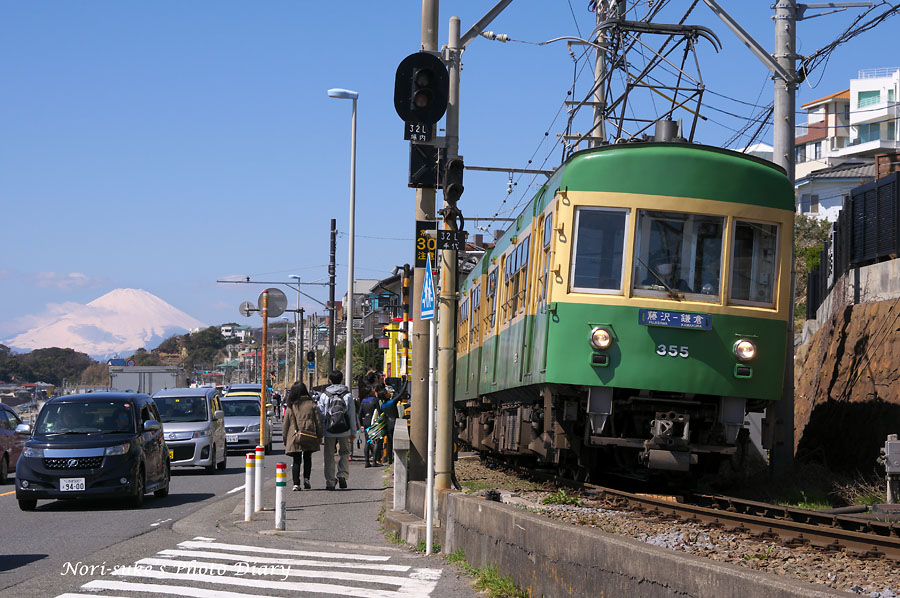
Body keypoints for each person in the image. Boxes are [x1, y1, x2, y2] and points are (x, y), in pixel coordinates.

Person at [317, 370, 357, 490]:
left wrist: (322, 431)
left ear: (330, 380)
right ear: (342, 379)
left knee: (329, 455)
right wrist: (353, 432)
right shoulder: (348, 395)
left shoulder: (324, 395)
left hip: (329, 430)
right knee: (344, 452)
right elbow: (351, 415)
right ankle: (342, 475)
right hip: (344, 429)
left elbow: (321, 414)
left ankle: (330, 481)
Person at [283, 382, 321, 491]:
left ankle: (296, 483)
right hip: (309, 434)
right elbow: (318, 421)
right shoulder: (312, 404)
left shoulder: (291, 405)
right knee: (308, 457)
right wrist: (319, 435)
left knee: (296, 460)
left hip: (294, 435)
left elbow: (285, 423)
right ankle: (306, 479)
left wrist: (285, 438)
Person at [357, 385, 381, 467]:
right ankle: (374, 461)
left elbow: (360, 415)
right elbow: (379, 411)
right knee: (376, 441)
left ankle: (367, 462)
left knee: (367, 441)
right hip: (373, 421)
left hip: (366, 421)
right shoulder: (375, 400)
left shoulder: (363, 401)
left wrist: (361, 424)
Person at [377, 383, 400, 465]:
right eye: (387, 392)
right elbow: (400, 393)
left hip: (388, 424)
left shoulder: (382, 406)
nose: (389, 393)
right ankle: (395, 459)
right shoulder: (391, 402)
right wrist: (405, 381)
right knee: (396, 442)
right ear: (386, 395)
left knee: (390, 442)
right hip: (394, 423)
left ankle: (390, 460)